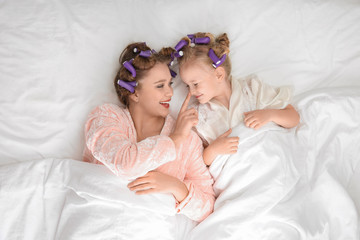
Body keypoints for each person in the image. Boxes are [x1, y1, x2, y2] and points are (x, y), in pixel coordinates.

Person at [82, 42, 215, 222]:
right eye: (160, 86)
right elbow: (125, 164)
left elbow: (207, 207)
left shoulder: (189, 140)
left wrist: (176, 187)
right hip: (97, 219)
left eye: (170, 84)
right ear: (135, 93)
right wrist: (175, 139)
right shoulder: (105, 117)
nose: (170, 92)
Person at [173, 32, 300, 166]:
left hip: (270, 159)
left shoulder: (252, 89)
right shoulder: (198, 116)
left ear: (219, 75)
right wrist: (213, 150)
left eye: (196, 84)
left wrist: (270, 114)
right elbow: (198, 164)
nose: (191, 92)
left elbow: (294, 118)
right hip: (238, 171)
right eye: (188, 86)